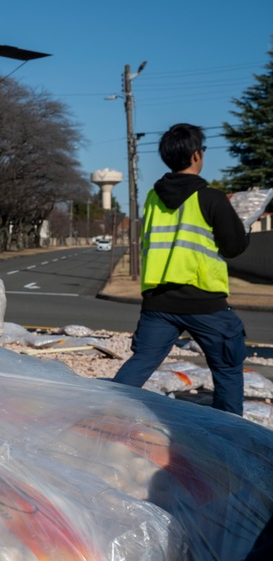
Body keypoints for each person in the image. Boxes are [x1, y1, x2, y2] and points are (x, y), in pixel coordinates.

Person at [113, 123, 249, 415]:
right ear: (197, 155)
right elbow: (235, 246)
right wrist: (244, 226)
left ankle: (104, 413)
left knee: (140, 363)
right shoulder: (211, 198)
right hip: (205, 302)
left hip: (158, 302)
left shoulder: (152, 198)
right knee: (227, 368)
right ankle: (230, 438)